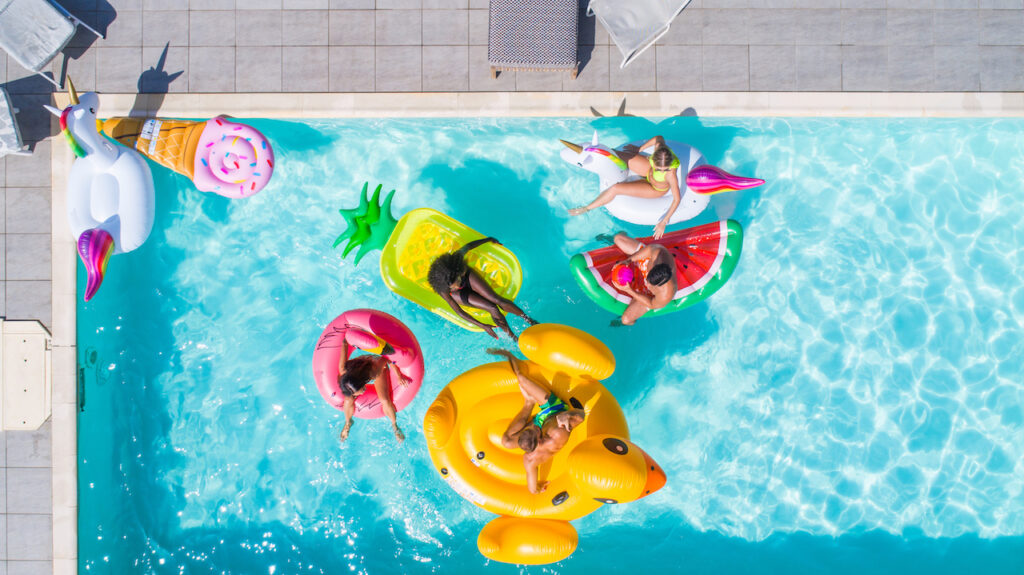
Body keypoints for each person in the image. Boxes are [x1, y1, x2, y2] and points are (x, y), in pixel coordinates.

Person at [488, 348, 586, 494]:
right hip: (554, 409)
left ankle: (528, 402)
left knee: (507, 441)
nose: (533, 425)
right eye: (533, 429)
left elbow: (532, 490)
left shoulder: (529, 460)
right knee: (521, 379)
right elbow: (582, 415)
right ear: (539, 440)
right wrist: (568, 414)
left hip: (548, 414)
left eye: (529, 428)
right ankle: (529, 402)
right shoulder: (557, 432)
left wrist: (538, 489)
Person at [569, 135, 681, 239]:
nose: (662, 171)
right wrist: (639, 149)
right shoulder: (660, 149)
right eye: (658, 168)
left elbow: (677, 199)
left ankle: (586, 208)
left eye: (664, 169)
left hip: (655, 188)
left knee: (615, 189)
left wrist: (664, 222)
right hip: (648, 171)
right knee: (614, 154)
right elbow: (659, 138)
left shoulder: (670, 174)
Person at [427, 237, 537, 341]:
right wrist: (483, 326)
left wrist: (488, 239)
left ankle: (528, 319)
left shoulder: (457, 259)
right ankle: (513, 337)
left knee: (496, 299)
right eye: (455, 285)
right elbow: (459, 311)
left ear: (457, 272)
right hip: (457, 294)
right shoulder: (443, 290)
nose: (458, 284)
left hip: (468, 277)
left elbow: (469, 246)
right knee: (492, 308)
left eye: (458, 279)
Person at [337, 339, 408, 444]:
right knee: (348, 399)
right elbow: (344, 343)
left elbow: (387, 358)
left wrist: (398, 376)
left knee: (385, 400)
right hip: (357, 370)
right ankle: (348, 423)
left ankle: (395, 426)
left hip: (377, 366)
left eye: (360, 391)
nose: (361, 394)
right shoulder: (343, 370)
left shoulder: (374, 372)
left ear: (362, 383)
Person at [609, 231, 677, 326]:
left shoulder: (666, 294)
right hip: (646, 262)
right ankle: (623, 235)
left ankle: (634, 318)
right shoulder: (658, 254)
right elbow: (649, 250)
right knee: (618, 238)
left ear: (660, 285)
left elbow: (652, 304)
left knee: (626, 320)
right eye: (648, 281)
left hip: (648, 295)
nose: (647, 284)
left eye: (650, 284)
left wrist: (629, 290)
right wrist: (627, 261)